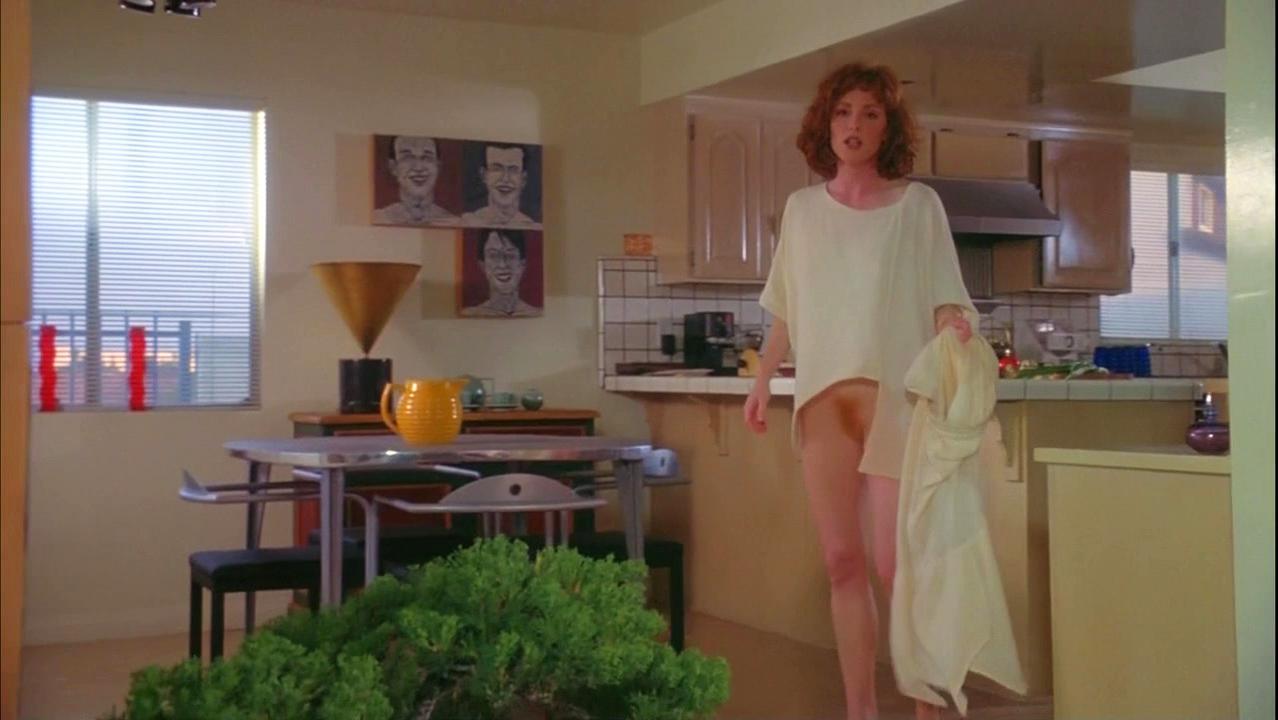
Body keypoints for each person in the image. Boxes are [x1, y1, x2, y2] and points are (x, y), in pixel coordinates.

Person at [742, 62, 975, 720]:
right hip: (822, 405)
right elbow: (786, 312)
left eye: (870, 113)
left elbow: (944, 298)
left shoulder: (918, 207)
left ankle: (928, 707)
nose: (854, 125)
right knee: (842, 562)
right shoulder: (801, 211)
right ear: (826, 123)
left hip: (894, 404)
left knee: (896, 566)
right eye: (844, 112)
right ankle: (860, 711)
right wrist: (762, 381)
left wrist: (954, 326)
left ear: (887, 127)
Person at [372, 135, 459, 225]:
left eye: (427, 157)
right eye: (408, 157)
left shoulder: (455, 222)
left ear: (438, 166)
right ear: (393, 167)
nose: (418, 168)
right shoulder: (378, 218)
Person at [461, 229, 540, 317]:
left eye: (510, 255)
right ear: (482, 265)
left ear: (522, 264)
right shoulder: (471, 314)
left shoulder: (536, 314)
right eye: (493, 255)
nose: (502, 265)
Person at [461, 144, 541, 228]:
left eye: (513, 170)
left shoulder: (534, 227)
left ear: (523, 179)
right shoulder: (467, 222)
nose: (505, 179)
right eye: (497, 169)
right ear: (484, 175)